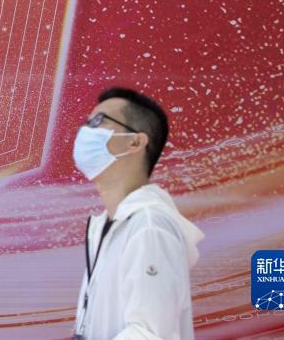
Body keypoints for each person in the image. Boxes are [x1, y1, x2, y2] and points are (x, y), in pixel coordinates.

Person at [71, 86, 205, 340]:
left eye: (98, 122)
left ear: (135, 142)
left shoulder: (150, 226)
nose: (84, 133)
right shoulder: (109, 225)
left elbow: (150, 333)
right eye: (86, 124)